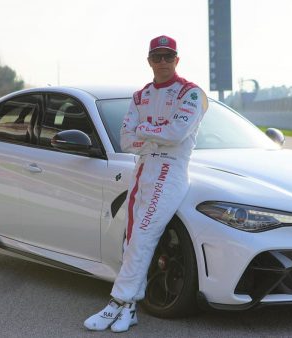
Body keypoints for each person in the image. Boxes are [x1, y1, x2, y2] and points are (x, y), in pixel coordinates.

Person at [84, 35, 208, 332]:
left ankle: (118, 300)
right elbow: (126, 140)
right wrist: (156, 132)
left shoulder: (191, 94)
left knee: (143, 235)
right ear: (149, 60)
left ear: (177, 60)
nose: (163, 62)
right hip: (142, 168)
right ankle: (129, 309)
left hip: (171, 170)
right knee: (130, 238)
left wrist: (145, 128)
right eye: (157, 57)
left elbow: (176, 134)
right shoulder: (140, 96)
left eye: (168, 57)